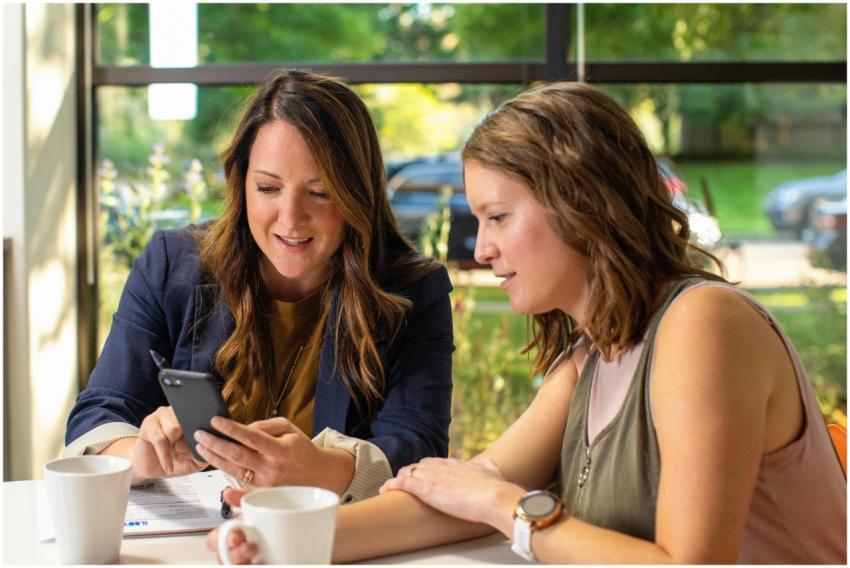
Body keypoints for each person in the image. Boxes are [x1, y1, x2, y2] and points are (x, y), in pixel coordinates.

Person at [212, 81, 846, 564]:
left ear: (580, 204)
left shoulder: (705, 325)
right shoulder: (592, 356)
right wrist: (280, 534)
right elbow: (462, 498)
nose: (481, 250)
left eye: (499, 217)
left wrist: (505, 507)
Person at [64, 69, 454, 503]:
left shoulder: (415, 290)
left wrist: (321, 469)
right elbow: (96, 417)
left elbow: (420, 448)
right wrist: (139, 455)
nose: (290, 219)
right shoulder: (172, 264)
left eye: (321, 192)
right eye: (268, 188)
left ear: (357, 194)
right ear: (241, 182)